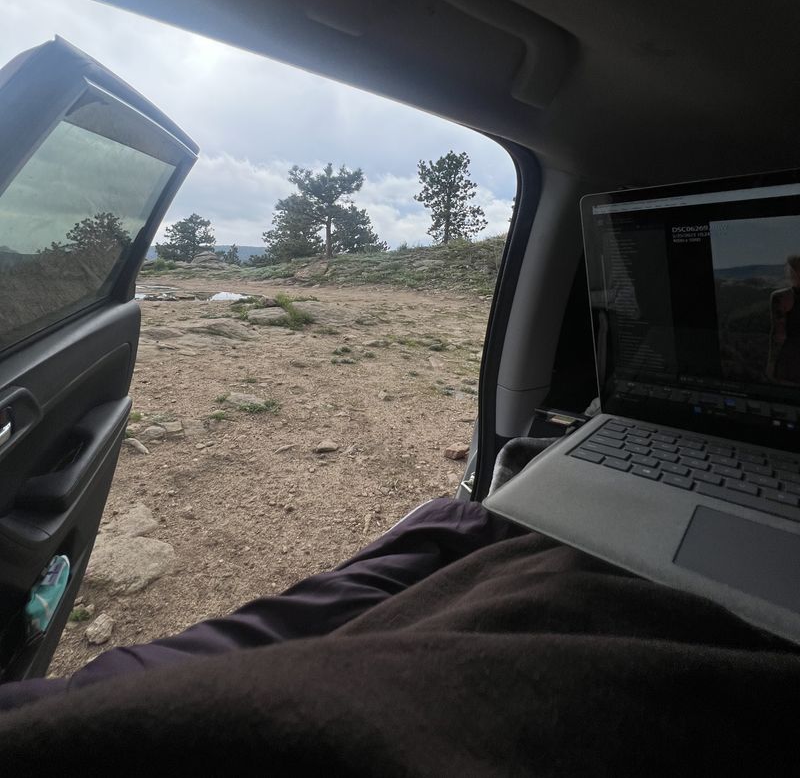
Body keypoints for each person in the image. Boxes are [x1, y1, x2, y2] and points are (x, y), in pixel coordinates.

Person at [0, 447, 798, 772]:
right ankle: (472, 526)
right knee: (461, 538)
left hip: (82, 705)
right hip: (118, 708)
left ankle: (469, 526)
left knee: (445, 535)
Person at [767, 254, 800, 383]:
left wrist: (771, 364)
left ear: (792, 271)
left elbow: (778, 335)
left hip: (791, 360)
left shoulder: (782, 297)